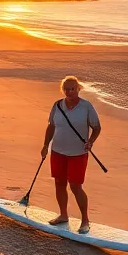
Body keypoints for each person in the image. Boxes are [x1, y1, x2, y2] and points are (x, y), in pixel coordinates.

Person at [39, 76, 102, 234]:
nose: (69, 92)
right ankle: (63, 215)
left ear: (78, 89)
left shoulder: (86, 107)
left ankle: (85, 220)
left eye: (72, 88)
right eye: (66, 89)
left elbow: (97, 127)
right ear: (63, 89)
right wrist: (45, 145)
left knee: (75, 186)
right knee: (59, 183)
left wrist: (91, 141)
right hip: (58, 151)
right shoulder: (58, 105)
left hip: (78, 153)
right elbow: (51, 126)